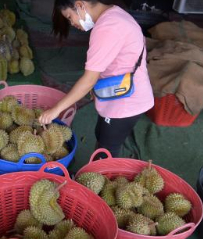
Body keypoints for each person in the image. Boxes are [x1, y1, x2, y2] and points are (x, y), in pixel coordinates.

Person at [39, 0, 153, 157]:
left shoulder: (107, 28)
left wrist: (56, 110)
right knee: (102, 137)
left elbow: (89, 79)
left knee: (105, 153)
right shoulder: (115, 13)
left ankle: (104, 175)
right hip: (122, 93)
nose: (71, 23)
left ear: (79, 5)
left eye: (69, 17)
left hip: (125, 101)